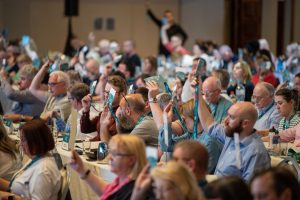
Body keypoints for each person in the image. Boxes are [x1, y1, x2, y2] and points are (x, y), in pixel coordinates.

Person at [195, 77, 270, 181]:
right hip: (218, 185)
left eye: (231, 117)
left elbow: (249, 191)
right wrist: (197, 94)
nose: (226, 121)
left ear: (245, 123)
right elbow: (209, 124)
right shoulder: (233, 135)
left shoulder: (255, 153)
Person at [147, 80, 222, 173]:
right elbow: (166, 146)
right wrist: (167, 123)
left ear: (195, 119)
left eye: (184, 119)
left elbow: (203, 173)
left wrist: (173, 170)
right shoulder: (192, 134)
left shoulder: (210, 142)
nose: (182, 122)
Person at [70, 134, 147, 200]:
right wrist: (82, 170)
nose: (109, 157)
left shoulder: (134, 190)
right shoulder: (122, 181)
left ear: (131, 160)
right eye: (110, 153)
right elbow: (108, 192)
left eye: (115, 154)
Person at [0, 119, 61, 200]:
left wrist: (10, 197)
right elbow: (22, 187)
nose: (20, 144)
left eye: (23, 140)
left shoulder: (43, 171)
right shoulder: (39, 158)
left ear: (36, 142)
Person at [80, 75, 127, 141]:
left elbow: (114, 140)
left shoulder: (124, 114)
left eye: (110, 93)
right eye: (105, 92)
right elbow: (86, 129)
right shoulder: (107, 109)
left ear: (122, 94)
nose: (106, 95)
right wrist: (86, 109)